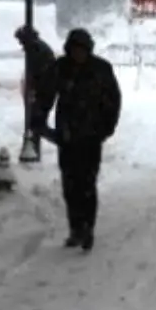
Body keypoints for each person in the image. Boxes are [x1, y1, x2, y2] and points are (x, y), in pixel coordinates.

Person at [32, 28, 121, 250]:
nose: (78, 54)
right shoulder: (61, 68)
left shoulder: (101, 70)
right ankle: (75, 229)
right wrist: (39, 121)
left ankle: (88, 228)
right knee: (70, 186)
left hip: (91, 137)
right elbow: (46, 95)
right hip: (67, 136)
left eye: (82, 50)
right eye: (74, 50)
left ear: (88, 50)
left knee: (87, 184)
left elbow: (113, 100)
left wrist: (106, 128)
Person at [16, 25, 56, 156]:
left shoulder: (36, 49)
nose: (20, 44)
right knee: (36, 124)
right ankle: (34, 150)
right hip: (44, 92)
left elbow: (37, 73)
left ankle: (61, 142)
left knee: (37, 124)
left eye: (21, 41)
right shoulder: (39, 47)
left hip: (43, 94)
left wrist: (33, 91)